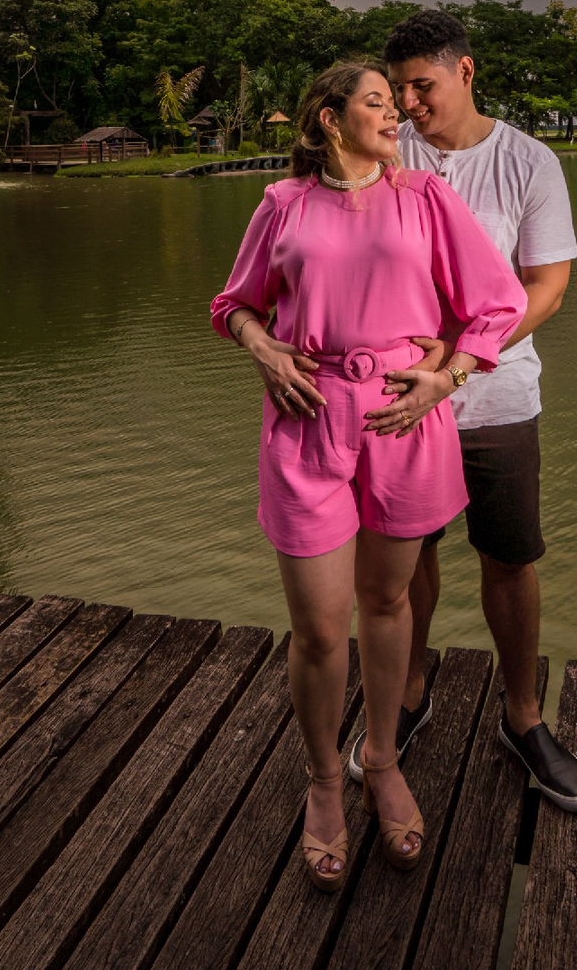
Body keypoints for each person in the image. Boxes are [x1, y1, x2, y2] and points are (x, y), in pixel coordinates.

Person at [210, 60, 526, 890]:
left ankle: (381, 759)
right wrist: (261, 345)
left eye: (397, 103)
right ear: (328, 118)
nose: (398, 116)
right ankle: (323, 781)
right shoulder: (281, 205)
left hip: (401, 421)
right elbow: (233, 303)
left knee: (388, 603)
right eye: (379, 103)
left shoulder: (425, 199)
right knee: (319, 628)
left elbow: (495, 304)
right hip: (308, 423)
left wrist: (448, 375)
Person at [347, 9, 577, 812]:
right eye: (399, 91)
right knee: (408, 559)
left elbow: (547, 288)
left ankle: (522, 717)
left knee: (510, 557)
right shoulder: (385, 158)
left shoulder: (528, 162)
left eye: (423, 86)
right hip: (398, 404)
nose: (409, 105)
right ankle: (409, 694)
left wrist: (454, 362)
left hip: (496, 395)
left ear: (466, 71)